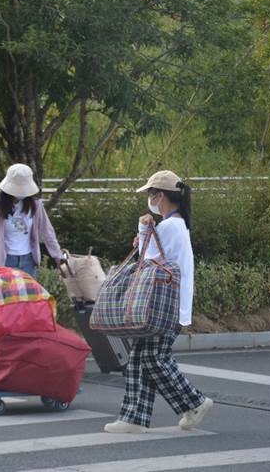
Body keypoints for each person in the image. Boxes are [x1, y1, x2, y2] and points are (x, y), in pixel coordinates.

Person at [104, 170, 213, 433]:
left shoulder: (169, 226)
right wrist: (147, 234)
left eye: (151, 194)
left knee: (152, 359)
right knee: (142, 359)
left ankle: (194, 402)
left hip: (162, 306)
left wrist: (143, 229)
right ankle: (134, 418)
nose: (149, 200)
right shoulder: (175, 225)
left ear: (160, 196)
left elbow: (146, 260)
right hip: (168, 305)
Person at [0, 163, 63, 278]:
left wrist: (58, 256)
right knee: (8, 296)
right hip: (6, 261)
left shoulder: (36, 205)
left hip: (28, 260)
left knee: (28, 296)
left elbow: (47, 232)